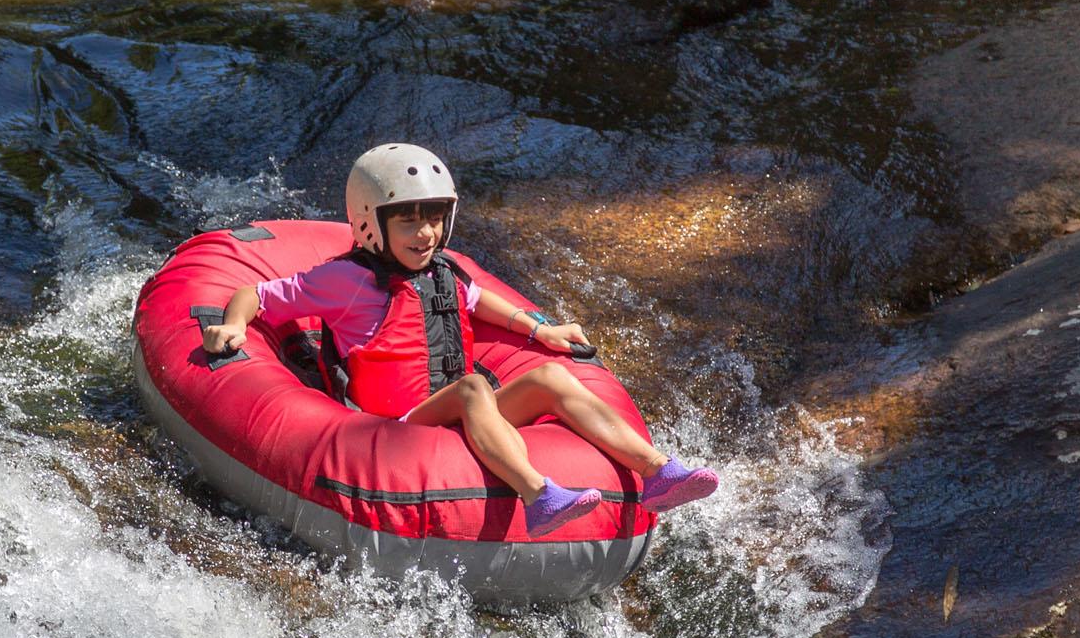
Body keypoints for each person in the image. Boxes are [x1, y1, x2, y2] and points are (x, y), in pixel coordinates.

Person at [200, 143, 718, 538]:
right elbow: (259, 293)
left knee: (549, 378)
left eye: (433, 218)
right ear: (370, 223)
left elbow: (480, 303)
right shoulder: (345, 281)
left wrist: (541, 329)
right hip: (395, 425)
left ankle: (656, 472)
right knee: (474, 388)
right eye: (408, 221)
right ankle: (539, 496)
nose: (424, 233)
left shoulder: (444, 272)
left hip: (455, 408)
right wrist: (236, 324)